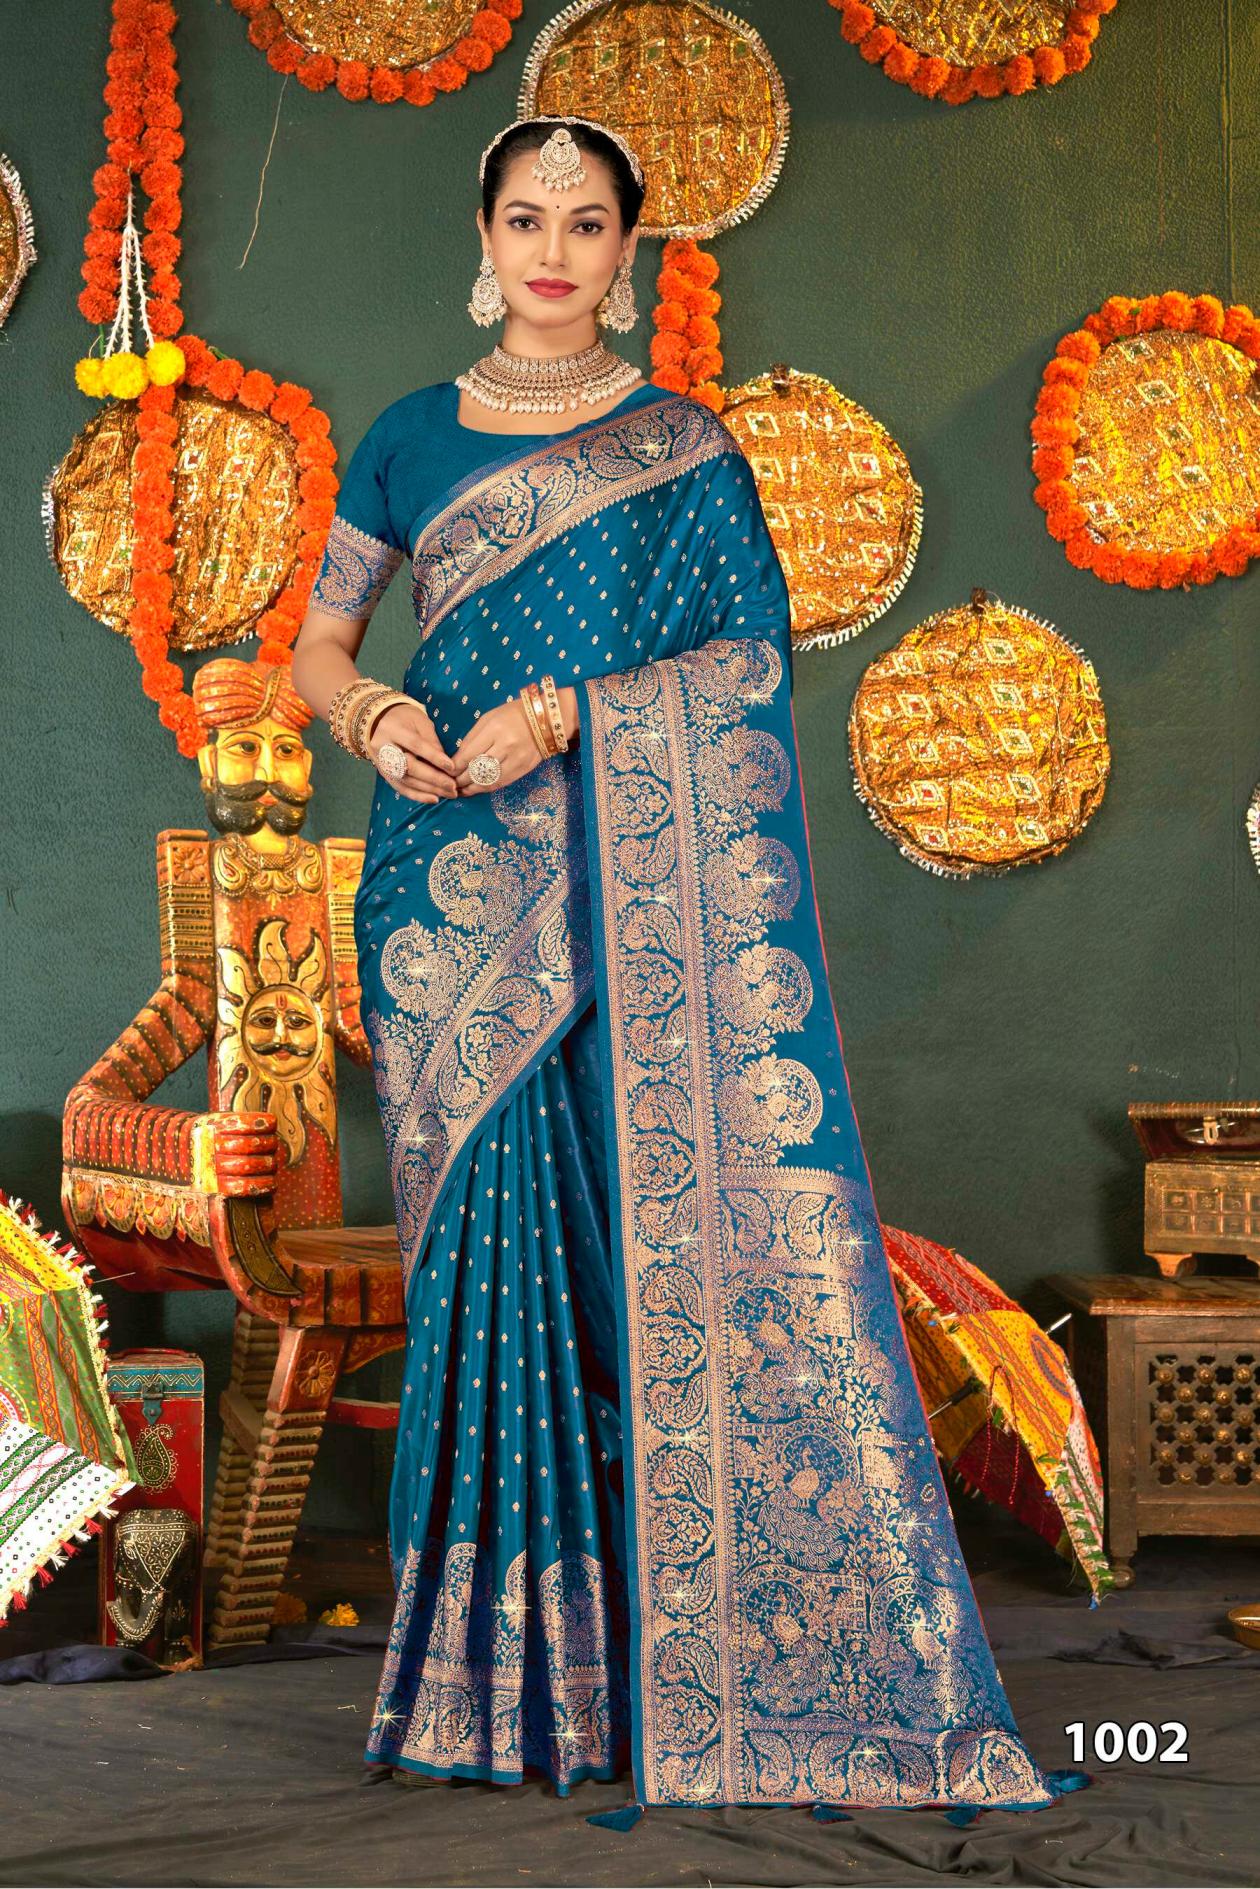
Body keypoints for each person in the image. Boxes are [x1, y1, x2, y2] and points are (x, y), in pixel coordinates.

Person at [289, 114, 1068, 1818]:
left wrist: (568, 712)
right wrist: (374, 714)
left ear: (628, 254)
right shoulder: (409, 436)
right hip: (443, 897)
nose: (552, 250)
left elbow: (748, 659)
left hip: (632, 900)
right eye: (526, 218)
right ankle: (492, 1681)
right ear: (482, 237)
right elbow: (320, 643)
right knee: (485, 1272)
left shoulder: (685, 447)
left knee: (633, 1263)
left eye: (587, 224)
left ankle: (678, 1667)